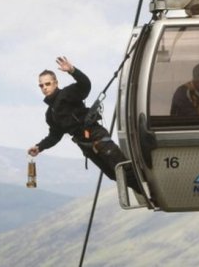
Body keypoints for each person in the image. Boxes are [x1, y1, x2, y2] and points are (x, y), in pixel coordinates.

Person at [27, 56, 141, 193]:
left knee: (124, 170)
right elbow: (54, 136)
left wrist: (72, 71)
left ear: (55, 83)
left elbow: (85, 85)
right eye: (41, 85)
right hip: (85, 145)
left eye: (47, 84)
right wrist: (39, 147)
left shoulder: (67, 94)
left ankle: (151, 189)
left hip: (97, 137)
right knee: (114, 175)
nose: (44, 88)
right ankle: (147, 193)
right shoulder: (50, 114)